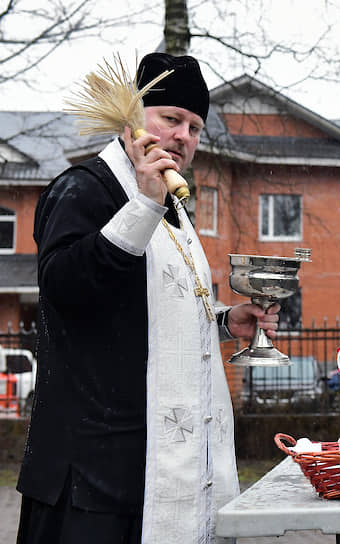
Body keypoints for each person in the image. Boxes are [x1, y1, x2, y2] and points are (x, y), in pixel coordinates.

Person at [16, 52, 280, 544]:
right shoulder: (81, 190)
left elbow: (148, 309)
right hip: (88, 480)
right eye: (172, 118)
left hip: (154, 468)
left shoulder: (174, 210)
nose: (184, 136)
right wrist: (141, 205)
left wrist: (226, 321)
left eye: (196, 127)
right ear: (134, 120)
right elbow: (64, 290)